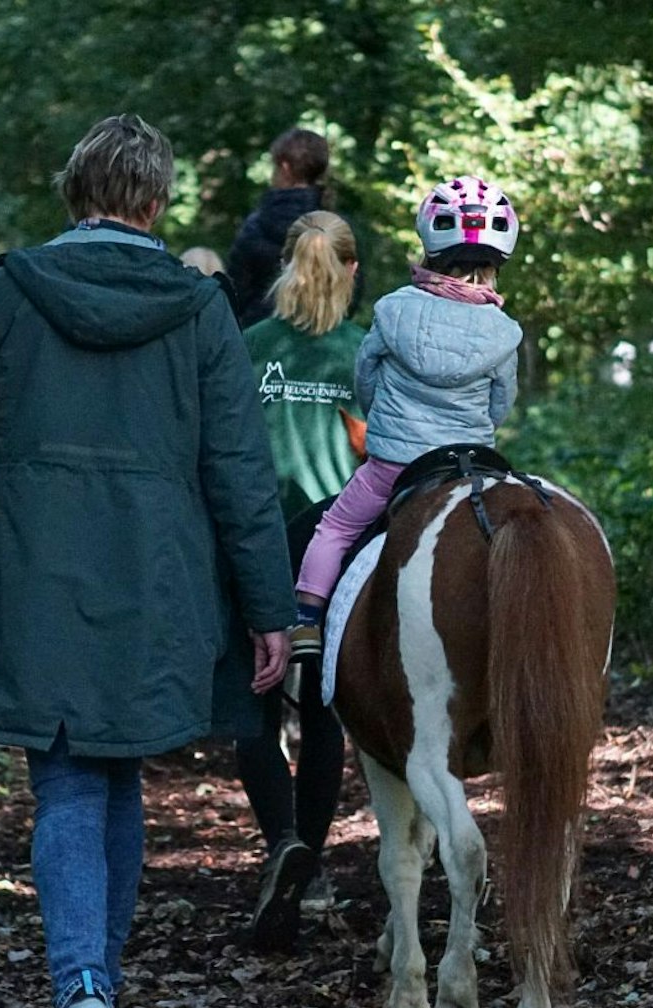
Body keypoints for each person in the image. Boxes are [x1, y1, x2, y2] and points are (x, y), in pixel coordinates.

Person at [0, 114, 293, 1008]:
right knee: (115, 767)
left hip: (33, 566)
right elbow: (239, 467)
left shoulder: (8, 293)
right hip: (155, 572)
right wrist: (268, 605)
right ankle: (97, 987)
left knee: (67, 774)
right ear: (157, 203)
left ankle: (84, 987)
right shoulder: (201, 308)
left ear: (73, 192)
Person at [288, 175, 523, 659]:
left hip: (394, 466)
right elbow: (501, 402)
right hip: (469, 467)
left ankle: (307, 620)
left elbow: (366, 380)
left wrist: (385, 422)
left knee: (335, 528)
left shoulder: (393, 310)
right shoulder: (503, 332)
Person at [235, 211, 364, 951]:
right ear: (351, 271)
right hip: (332, 560)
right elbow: (378, 454)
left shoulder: (249, 347)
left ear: (284, 265)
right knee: (321, 715)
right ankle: (308, 869)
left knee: (253, 712)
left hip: (254, 550)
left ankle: (281, 842)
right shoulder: (363, 353)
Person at [226, 128, 345, 328]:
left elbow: (235, 292)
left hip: (259, 336)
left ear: (285, 168)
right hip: (324, 334)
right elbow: (351, 288)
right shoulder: (337, 227)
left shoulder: (256, 226)